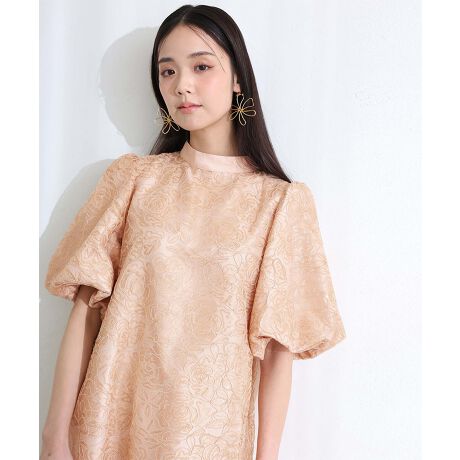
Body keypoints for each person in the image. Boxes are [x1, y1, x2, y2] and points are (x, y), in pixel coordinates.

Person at [40, 4, 346, 460]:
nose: (181, 84)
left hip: (211, 439)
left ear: (238, 77)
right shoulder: (134, 180)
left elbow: (279, 349)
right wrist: (53, 439)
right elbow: (85, 310)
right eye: (168, 71)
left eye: (201, 66)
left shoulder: (279, 204)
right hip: (108, 426)